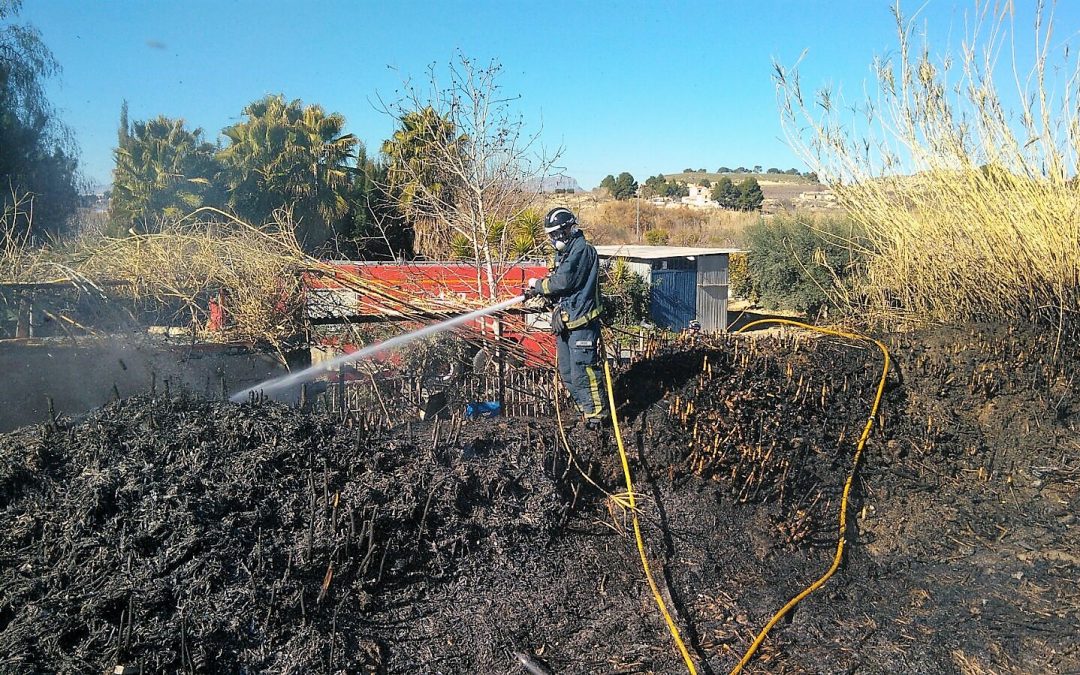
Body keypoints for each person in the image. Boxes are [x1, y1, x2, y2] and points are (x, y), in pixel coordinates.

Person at [525, 207, 609, 428]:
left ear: (569, 229)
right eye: (551, 235)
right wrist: (542, 292)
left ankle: (597, 417)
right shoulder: (566, 253)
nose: (554, 239)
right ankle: (585, 411)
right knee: (568, 374)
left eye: (557, 233)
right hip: (567, 322)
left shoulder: (582, 250)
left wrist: (539, 285)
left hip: (582, 323)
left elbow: (563, 281)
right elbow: (561, 283)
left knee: (584, 371)